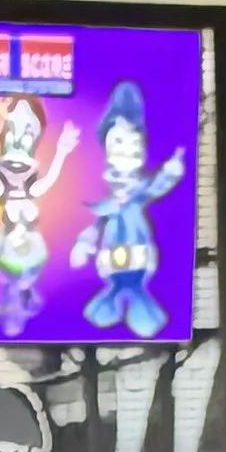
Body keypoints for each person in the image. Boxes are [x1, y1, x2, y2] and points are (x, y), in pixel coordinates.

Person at [0, 90, 77, 338]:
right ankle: (14, 312)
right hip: (7, 257)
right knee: (14, 286)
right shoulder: (3, 191)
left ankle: (21, 305)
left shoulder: (32, 189)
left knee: (22, 285)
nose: (20, 143)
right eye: (12, 133)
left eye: (28, 134)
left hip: (33, 259)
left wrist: (62, 151)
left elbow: (51, 177)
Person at [71, 80, 186, 339]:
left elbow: (155, 187)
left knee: (136, 281)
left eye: (135, 145)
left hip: (138, 248)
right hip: (112, 250)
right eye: (120, 144)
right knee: (115, 281)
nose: (128, 152)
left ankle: (144, 312)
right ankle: (106, 307)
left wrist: (171, 172)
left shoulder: (139, 189)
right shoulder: (101, 192)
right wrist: (85, 243)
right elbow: (95, 217)